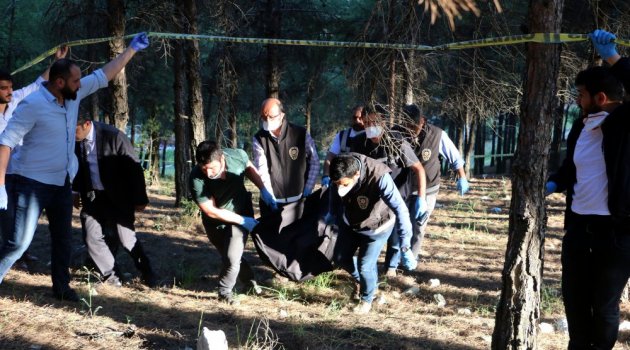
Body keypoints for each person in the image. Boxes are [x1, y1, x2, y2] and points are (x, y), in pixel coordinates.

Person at [0, 32, 150, 302]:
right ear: (59, 82)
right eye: (76, 80)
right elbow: (6, 143)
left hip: (60, 184)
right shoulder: (31, 105)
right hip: (29, 184)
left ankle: (61, 288)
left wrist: (131, 50)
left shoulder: (73, 96)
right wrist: (0, 185)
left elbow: (106, 74)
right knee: (17, 243)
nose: (81, 84)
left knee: (63, 240)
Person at [546, 29, 630, 349]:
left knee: (605, 308)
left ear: (601, 98)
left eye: (581, 93)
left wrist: (613, 58)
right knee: (575, 303)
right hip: (579, 229)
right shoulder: (581, 125)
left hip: (616, 233)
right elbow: (573, 167)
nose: (577, 100)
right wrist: (555, 182)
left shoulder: (624, 124)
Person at [0, 46, 69, 267]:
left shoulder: (18, 99)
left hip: (17, 170)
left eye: (10, 87)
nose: (9, 92)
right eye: (4, 89)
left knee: (15, 218)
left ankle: (19, 253)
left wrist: (57, 62)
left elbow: (37, 84)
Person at [73, 114, 158, 288]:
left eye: (73, 128)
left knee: (126, 238)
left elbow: (134, 168)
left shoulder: (114, 136)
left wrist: (140, 198)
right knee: (91, 236)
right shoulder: (74, 140)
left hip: (119, 197)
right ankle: (111, 277)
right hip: (93, 196)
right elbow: (77, 167)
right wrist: (75, 191)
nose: (69, 132)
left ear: (86, 124)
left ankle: (147, 271)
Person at [328, 153, 413, 313]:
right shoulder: (341, 167)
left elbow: (401, 209)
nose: (340, 187)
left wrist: (405, 242)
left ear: (357, 174)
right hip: (352, 222)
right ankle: (367, 282)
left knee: (365, 265)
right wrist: (331, 214)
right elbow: (334, 194)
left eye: (344, 184)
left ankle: (366, 300)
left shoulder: (379, 176)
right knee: (340, 257)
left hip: (378, 226)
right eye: (337, 184)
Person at [190, 141, 270, 305]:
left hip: (241, 211)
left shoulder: (236, 156)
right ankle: (249, 283)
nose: (209, 172)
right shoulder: (196, 177)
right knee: (231, 257)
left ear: (221, 158)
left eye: (212, 167)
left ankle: (224, 292)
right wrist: (241, 220)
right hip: (215, 223)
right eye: (204, 169)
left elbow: (249, 169)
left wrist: (263, 190)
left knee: (232, 257)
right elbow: (210, 210)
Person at [349, 108, 425, 276]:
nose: (370, 127)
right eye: (367, 123)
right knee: (370, 234)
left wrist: (421, 198)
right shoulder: (358, 142)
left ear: (383, 122)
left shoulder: (396, 141)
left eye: (374, 123)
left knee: (396, 237)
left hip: (396, 195)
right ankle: (367, 267)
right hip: (370, 199)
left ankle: (391, 267)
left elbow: (418, 169)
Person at [397, 104, 469, 261]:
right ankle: (395, 260)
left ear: (422, 121)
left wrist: (462, 177)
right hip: (403, 187)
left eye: (413, 126)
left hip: (429, 188)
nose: (409, 130)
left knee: (418, 225)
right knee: (401, 224)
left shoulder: (437, 134)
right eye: (406, 126)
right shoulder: (397, 133)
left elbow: (455, 157)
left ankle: (410, 260)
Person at [252, 98, 320, 230]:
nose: (268, 121)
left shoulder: (300, 133)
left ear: (282, 115)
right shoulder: (259, 138)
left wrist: (308, 189)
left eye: (271, 117)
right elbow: (262, 170)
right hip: (274, 203)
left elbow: (315, 161)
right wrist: (269, 195)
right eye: (264, 118)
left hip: (299, 200)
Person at [321, 105, 366, 187]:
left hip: (364, 183)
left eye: (360, 118)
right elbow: (330, 156)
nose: (357, 121)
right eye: (354, 118)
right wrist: (326, 175)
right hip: (342, 183)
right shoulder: (342, 136)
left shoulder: (371, 137)